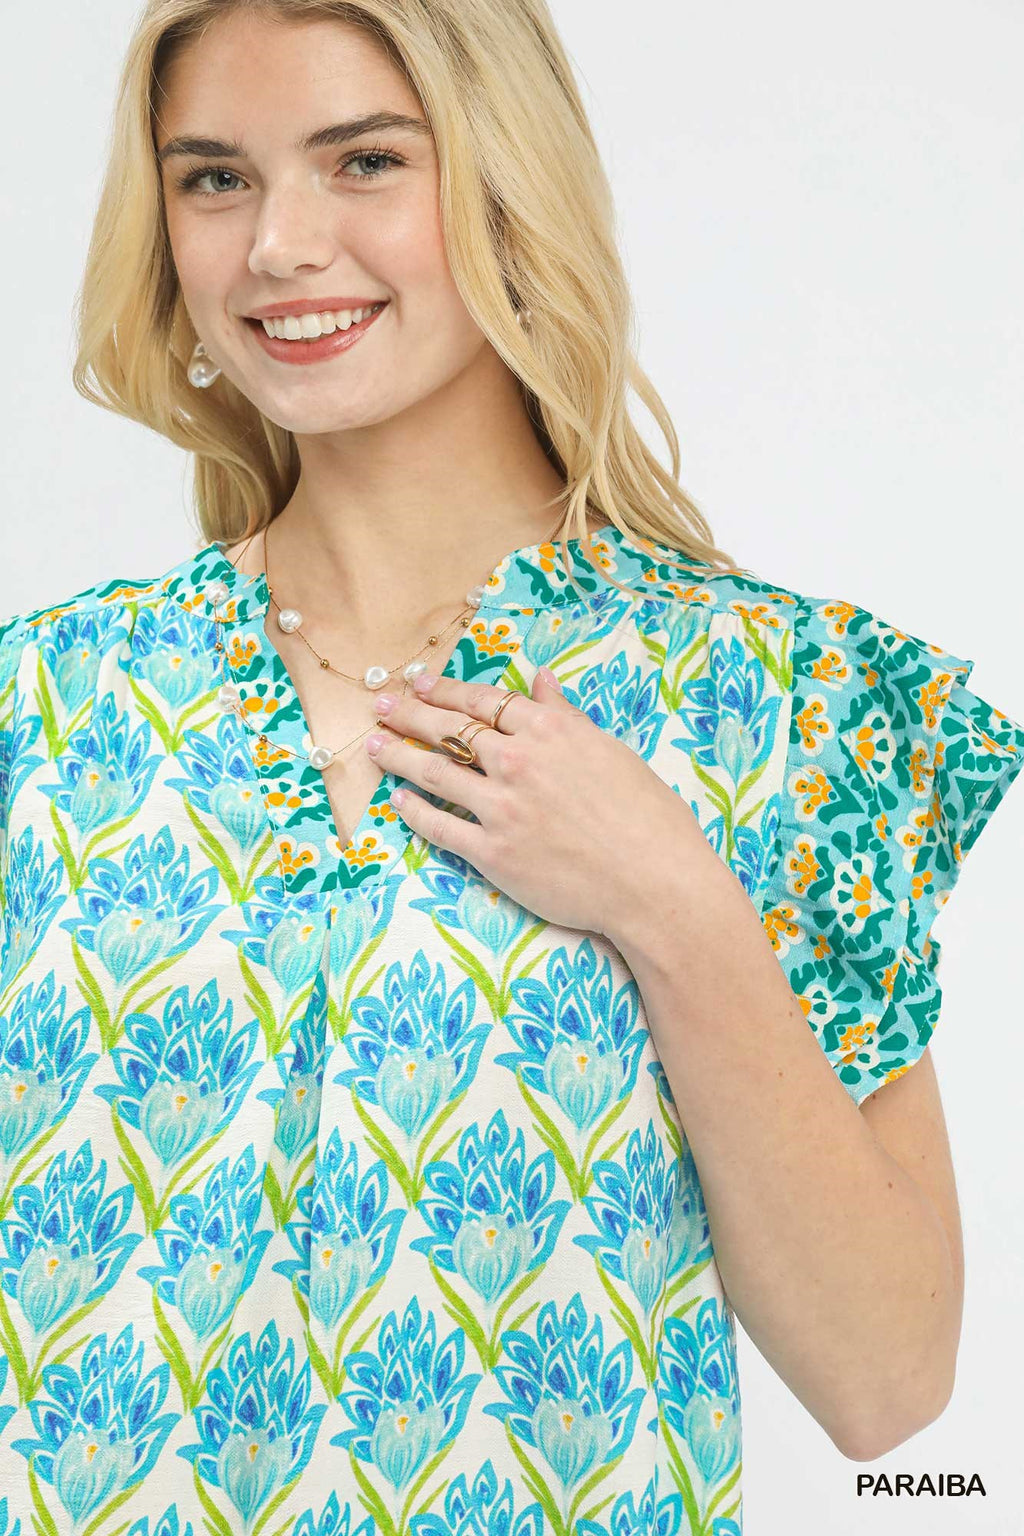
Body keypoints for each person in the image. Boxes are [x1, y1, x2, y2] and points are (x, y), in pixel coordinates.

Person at [1, 2, 1021, 1531]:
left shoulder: (780, 703)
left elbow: (889, 1382)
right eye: (215, 178)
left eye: (365, 160)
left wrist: (671, 899)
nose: (278, 243)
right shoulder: (43, 708)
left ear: (507, 182)